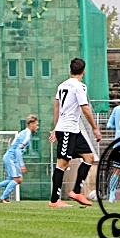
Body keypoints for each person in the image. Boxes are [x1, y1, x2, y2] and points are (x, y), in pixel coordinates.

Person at [48, 58, 101, 208]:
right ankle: (54, 200)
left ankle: (77, 191)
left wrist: (55, 126)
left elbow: (56, 107)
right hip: (67, 130)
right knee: (62, 164)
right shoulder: (80, 87)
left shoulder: (62, 85)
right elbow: (85, 108)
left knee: (89, 157)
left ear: (70, 71)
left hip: (73, 130)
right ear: (83, 72)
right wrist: (95, 128)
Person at [0, 114, 39, 203]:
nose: (37, 127)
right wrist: (21, 164)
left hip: (10, 157)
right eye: (36, 125)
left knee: (12, 180)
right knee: (18, 179)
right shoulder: (26, 135)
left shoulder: (25, 133)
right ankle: (3, 198)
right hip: (11, 158)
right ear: (31, 124)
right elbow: (17, 150)